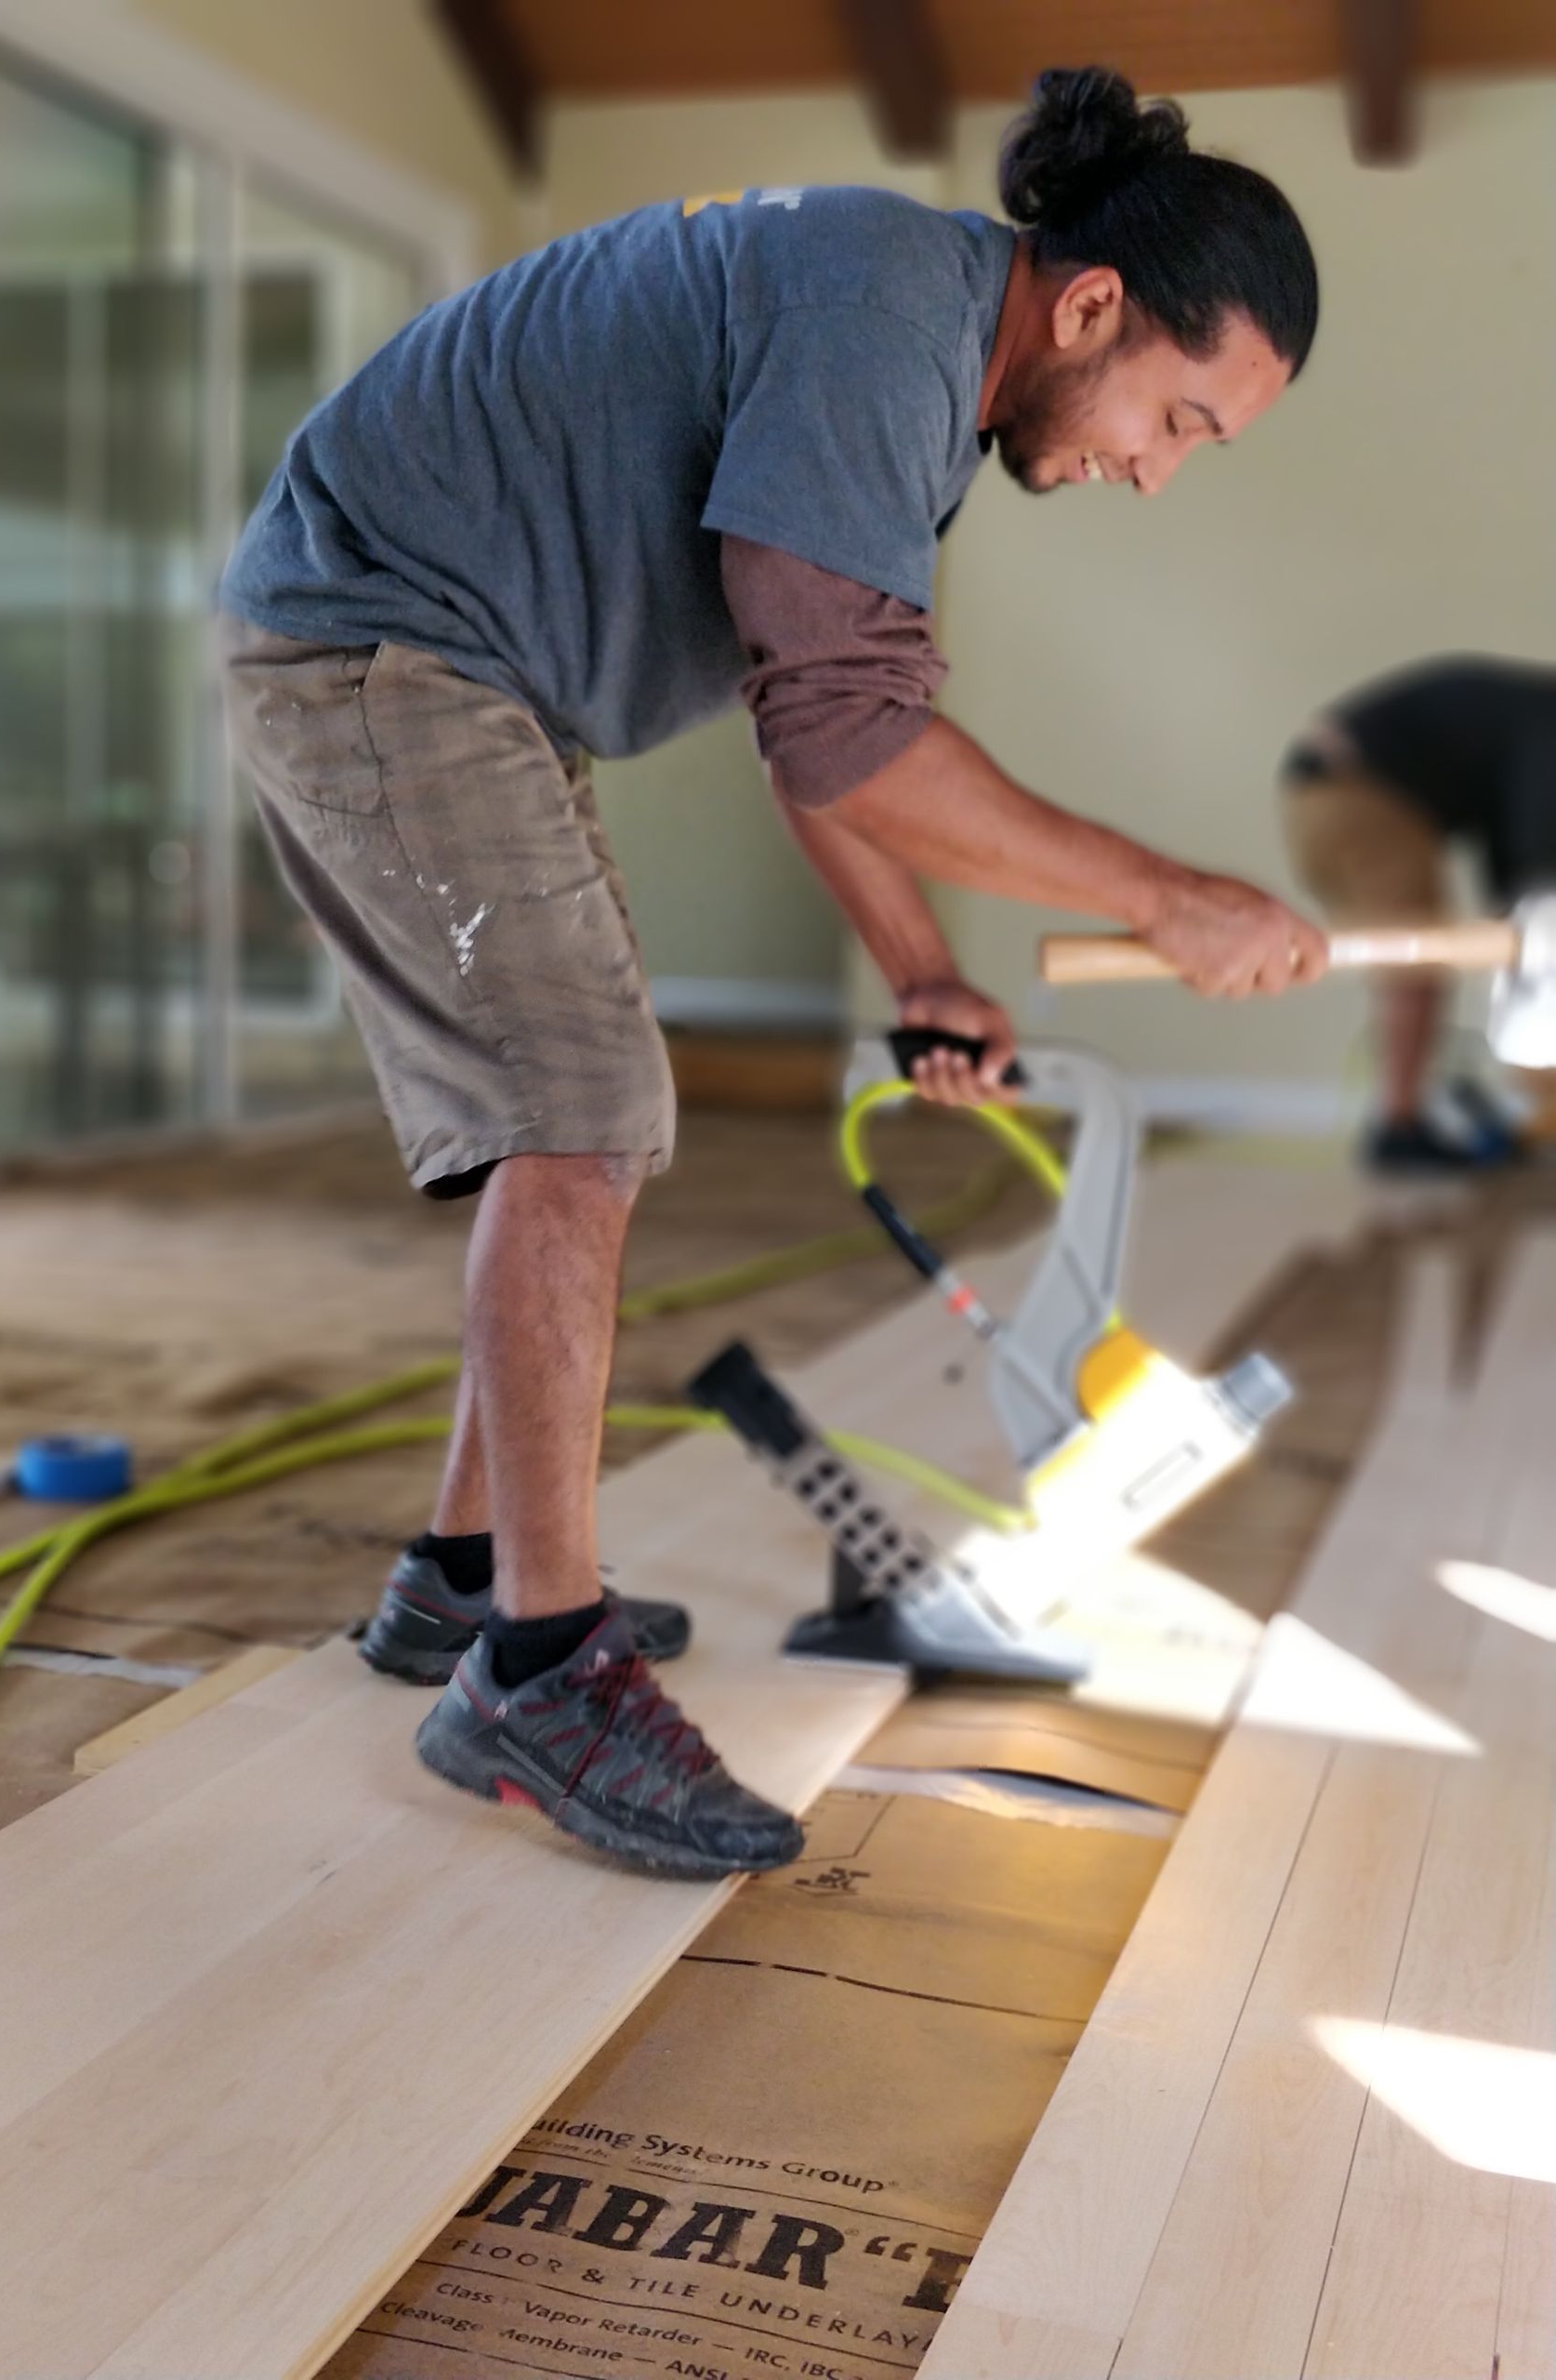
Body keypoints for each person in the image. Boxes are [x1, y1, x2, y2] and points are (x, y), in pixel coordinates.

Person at [218, 64, 1328, 1882]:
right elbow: (847, 730)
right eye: (1181, 419)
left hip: (456, 660)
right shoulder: (884, 317)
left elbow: (813, 696)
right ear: (1097, 307)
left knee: (576, 1119)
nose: (1156, 467)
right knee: (577, 1117)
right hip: (382, 641)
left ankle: (463, 1583)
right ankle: (535, 1674)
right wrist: (1175, 892)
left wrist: (920, 968)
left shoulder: (915, 361)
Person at [1282, 656, 1554, 1172]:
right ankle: (1398, 1129)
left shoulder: (1529, 718)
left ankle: (1407, 1121)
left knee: (1443, 960)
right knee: (1417, 960)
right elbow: (1533, 880)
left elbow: (1517, 862)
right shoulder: (1547, 724)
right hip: (1354, 791)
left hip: (1332, 789)